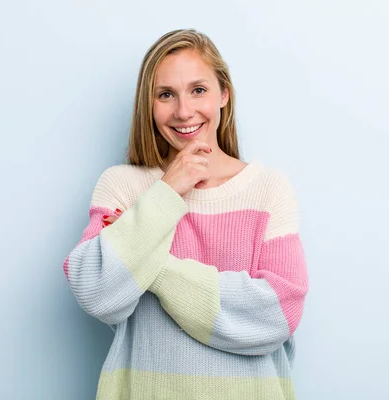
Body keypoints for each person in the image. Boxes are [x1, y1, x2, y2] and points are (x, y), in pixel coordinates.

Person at [63, 28, 309, 400]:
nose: (183, 111)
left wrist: (152, 265)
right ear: (149, 105)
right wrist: (166, 192)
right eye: (165, 95)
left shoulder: (268, 189)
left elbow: (278, 315)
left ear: (223, 94)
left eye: (198, 90)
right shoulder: (124, 186)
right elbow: (97, 292)